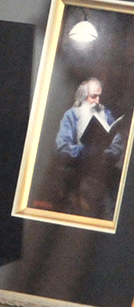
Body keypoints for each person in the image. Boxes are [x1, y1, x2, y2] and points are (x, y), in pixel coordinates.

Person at [52, 77, 124, 219]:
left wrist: (103, 155)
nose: (97, 101)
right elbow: (62, 146)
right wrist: (84, 152)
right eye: (93, 96)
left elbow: (116, 146)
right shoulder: (71, 116)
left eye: (99, 96)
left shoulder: (106, 115)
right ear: (83, 97)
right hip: (77, 168)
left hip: (102, 168)